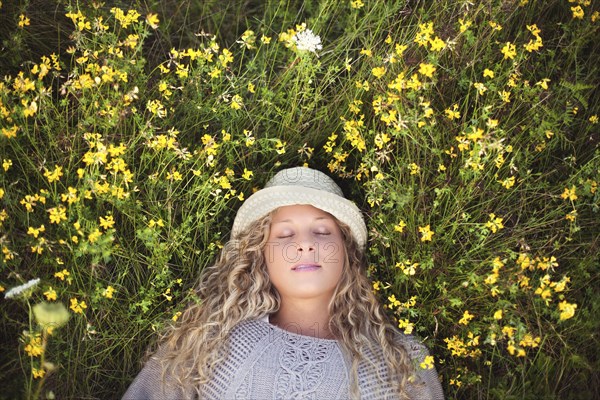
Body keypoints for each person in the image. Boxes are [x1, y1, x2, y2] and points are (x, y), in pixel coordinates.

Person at [122, 166, 444, 399]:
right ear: (260, 255)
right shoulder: (213, 341)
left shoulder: (403, 359)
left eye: (322, 231)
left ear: (347, 252)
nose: (304, 244)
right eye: (285, 234)